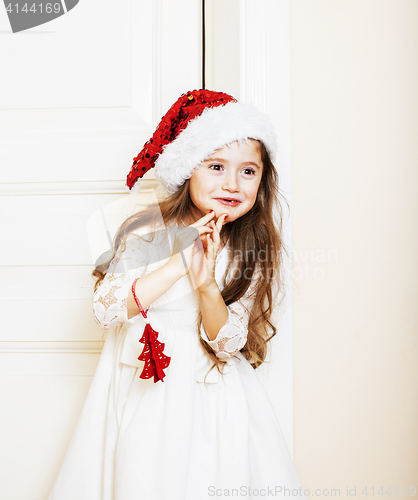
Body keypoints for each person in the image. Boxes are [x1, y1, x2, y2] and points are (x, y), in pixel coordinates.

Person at [48, 90, 308, 500]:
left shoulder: (246, 248)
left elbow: (228, 343)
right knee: (145, 475)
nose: (232, 183)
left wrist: (205, 285)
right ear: (188, 169)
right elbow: (107, 308)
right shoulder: (146, 231)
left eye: (248, 172)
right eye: (217, 166)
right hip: (145, 391)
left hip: (213, 398)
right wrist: (177, 264)